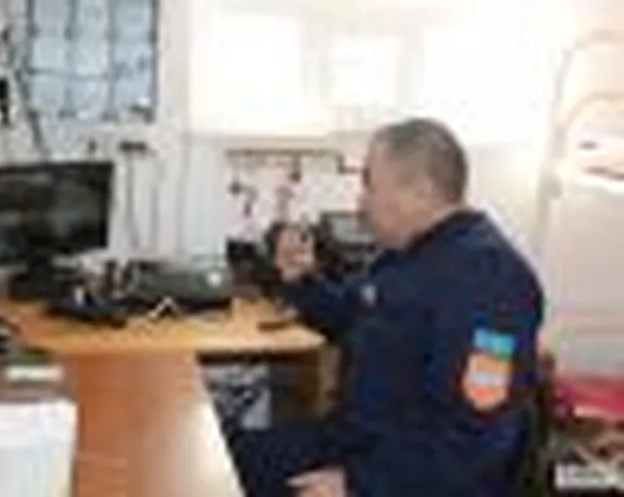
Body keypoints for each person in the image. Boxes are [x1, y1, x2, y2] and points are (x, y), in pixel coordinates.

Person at [227, 118, 546, 497]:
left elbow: (477, 443)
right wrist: (300, 280)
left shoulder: (490, 281)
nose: (360, 202)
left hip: (403, 475)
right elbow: (348, 316)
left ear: (419, 192)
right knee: (222, 458)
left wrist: (358, 484)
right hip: (355, 442)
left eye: (369, 185)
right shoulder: (404, 256)